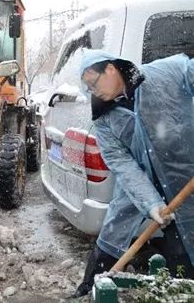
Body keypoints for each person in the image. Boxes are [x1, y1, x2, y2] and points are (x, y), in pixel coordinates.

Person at [73, 49, 194, 297]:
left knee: (184, 240)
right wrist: (151, 204)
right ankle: (89, 289)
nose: (92, 92)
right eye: (88, 88)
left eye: (93, 83)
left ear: (111, 69)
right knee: (113, 233)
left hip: (182, 171)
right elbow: (121, 163)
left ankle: (182, 285)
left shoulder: (164, 73)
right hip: (142, 177)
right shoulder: (104, 118)